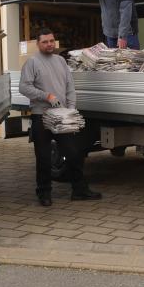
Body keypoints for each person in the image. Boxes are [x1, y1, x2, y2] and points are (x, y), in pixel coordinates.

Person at [19, 28, 102, 206]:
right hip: (41, 116)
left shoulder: (60, 61)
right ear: (38, 43)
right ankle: (44, 193)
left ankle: (79, 190)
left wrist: (70, 110)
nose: (49, 44)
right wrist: (46, 96)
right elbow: (24, 88)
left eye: (51, 41)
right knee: (43, 157)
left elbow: (69, 87)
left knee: (74, 153)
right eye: (45, 42)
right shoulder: (32, 62)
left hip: (62, 117)